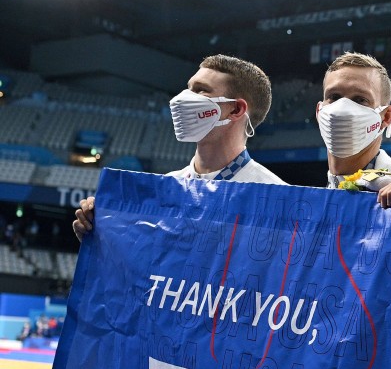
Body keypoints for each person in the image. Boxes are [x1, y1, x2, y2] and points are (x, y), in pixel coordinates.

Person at [73, 54, 286, 240]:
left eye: (201, 91)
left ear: (236, 110)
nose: (181, 99)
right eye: (188, 88)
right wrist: (100, 239)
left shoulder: (279, 200)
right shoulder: (164, 189)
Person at [316, 52, 391, 208]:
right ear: (319, 112)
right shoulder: (314, 197)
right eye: (334, 96)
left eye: (360, 99)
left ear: (386, 117)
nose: (343, 108)